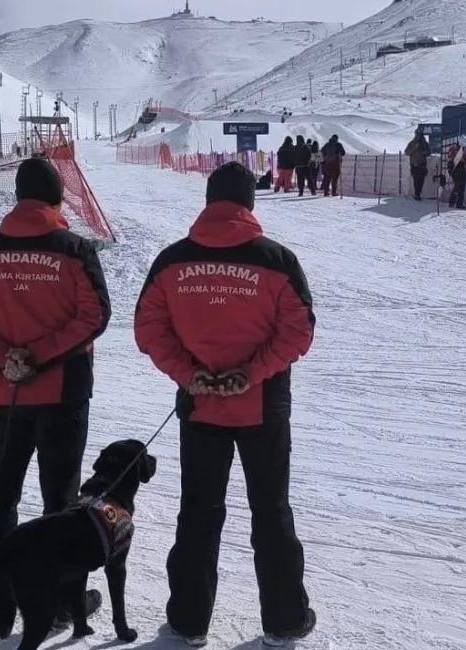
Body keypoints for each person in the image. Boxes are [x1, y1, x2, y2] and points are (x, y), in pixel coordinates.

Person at [133, 161, 317, 648]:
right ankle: (284, 621)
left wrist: (191, 374)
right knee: (270, 509)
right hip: (263, 405)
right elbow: (298, 332)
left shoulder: (173, 261)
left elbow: (150, 330)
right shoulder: (277, 260)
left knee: (198, 510)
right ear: (249, 204)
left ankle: (188, 622)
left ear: (209, 202)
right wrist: (250, 374)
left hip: (201, 405)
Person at [0, 157, 112, 630]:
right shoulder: (74, 249)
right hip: (62, 394)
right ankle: (62, 603)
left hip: (6, 393)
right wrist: (40, 355)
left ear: (18, 198)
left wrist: (6, 356)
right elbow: (95, 315)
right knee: (59, 501)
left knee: (1, 497)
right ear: (59, 199)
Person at [404, 131, 430, 200]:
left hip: (422, 165)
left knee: (421, 181)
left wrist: (422, 150)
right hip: (414, 165)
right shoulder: (412, 143)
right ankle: (416, 194)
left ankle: (418, 194)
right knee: (416, 180)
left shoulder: (425, 143)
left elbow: (428, 152)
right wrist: (414, 148)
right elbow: (407, 152)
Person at [447, 135, 466, 209]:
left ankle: (459, 203)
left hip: (462, 168)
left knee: (462, 187)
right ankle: (451, 201)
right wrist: (450, 169)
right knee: (457, 186)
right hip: (455, 168)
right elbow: (450, 159)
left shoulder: (465, 150)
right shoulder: (453, 149)